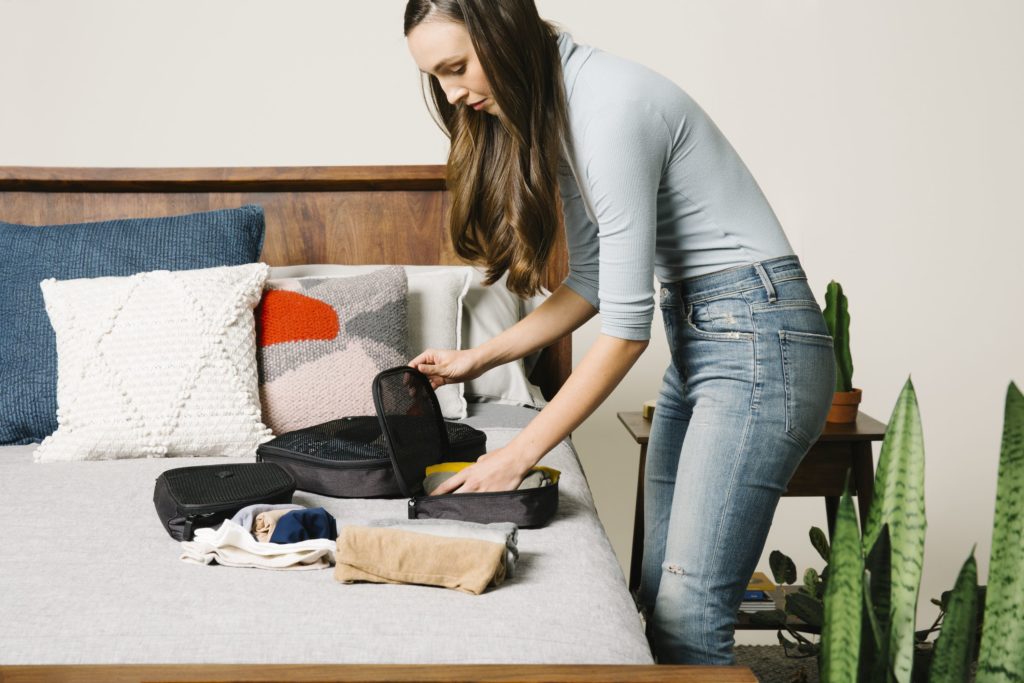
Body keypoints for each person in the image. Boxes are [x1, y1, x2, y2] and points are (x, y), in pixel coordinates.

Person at [403, 0, 836, 665]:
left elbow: (626, 330)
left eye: (457, 68)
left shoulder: (606, 110)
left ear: (503, 31)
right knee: (658, 601)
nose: (453, 94)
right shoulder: (563, 117)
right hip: (709, 339)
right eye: (438, 78)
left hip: (759, 344)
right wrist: (480, 355)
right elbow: (595, 280)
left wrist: (516, 455)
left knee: (690, 621)